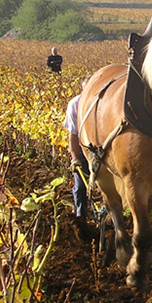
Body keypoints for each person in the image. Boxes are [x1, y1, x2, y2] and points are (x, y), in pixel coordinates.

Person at [64, 76, 90, 219]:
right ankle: (81, 217)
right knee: (80, 187)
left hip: (101, 151)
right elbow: (73, 135)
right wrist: (75, 158)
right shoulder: (75, 104)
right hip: (82, 150)